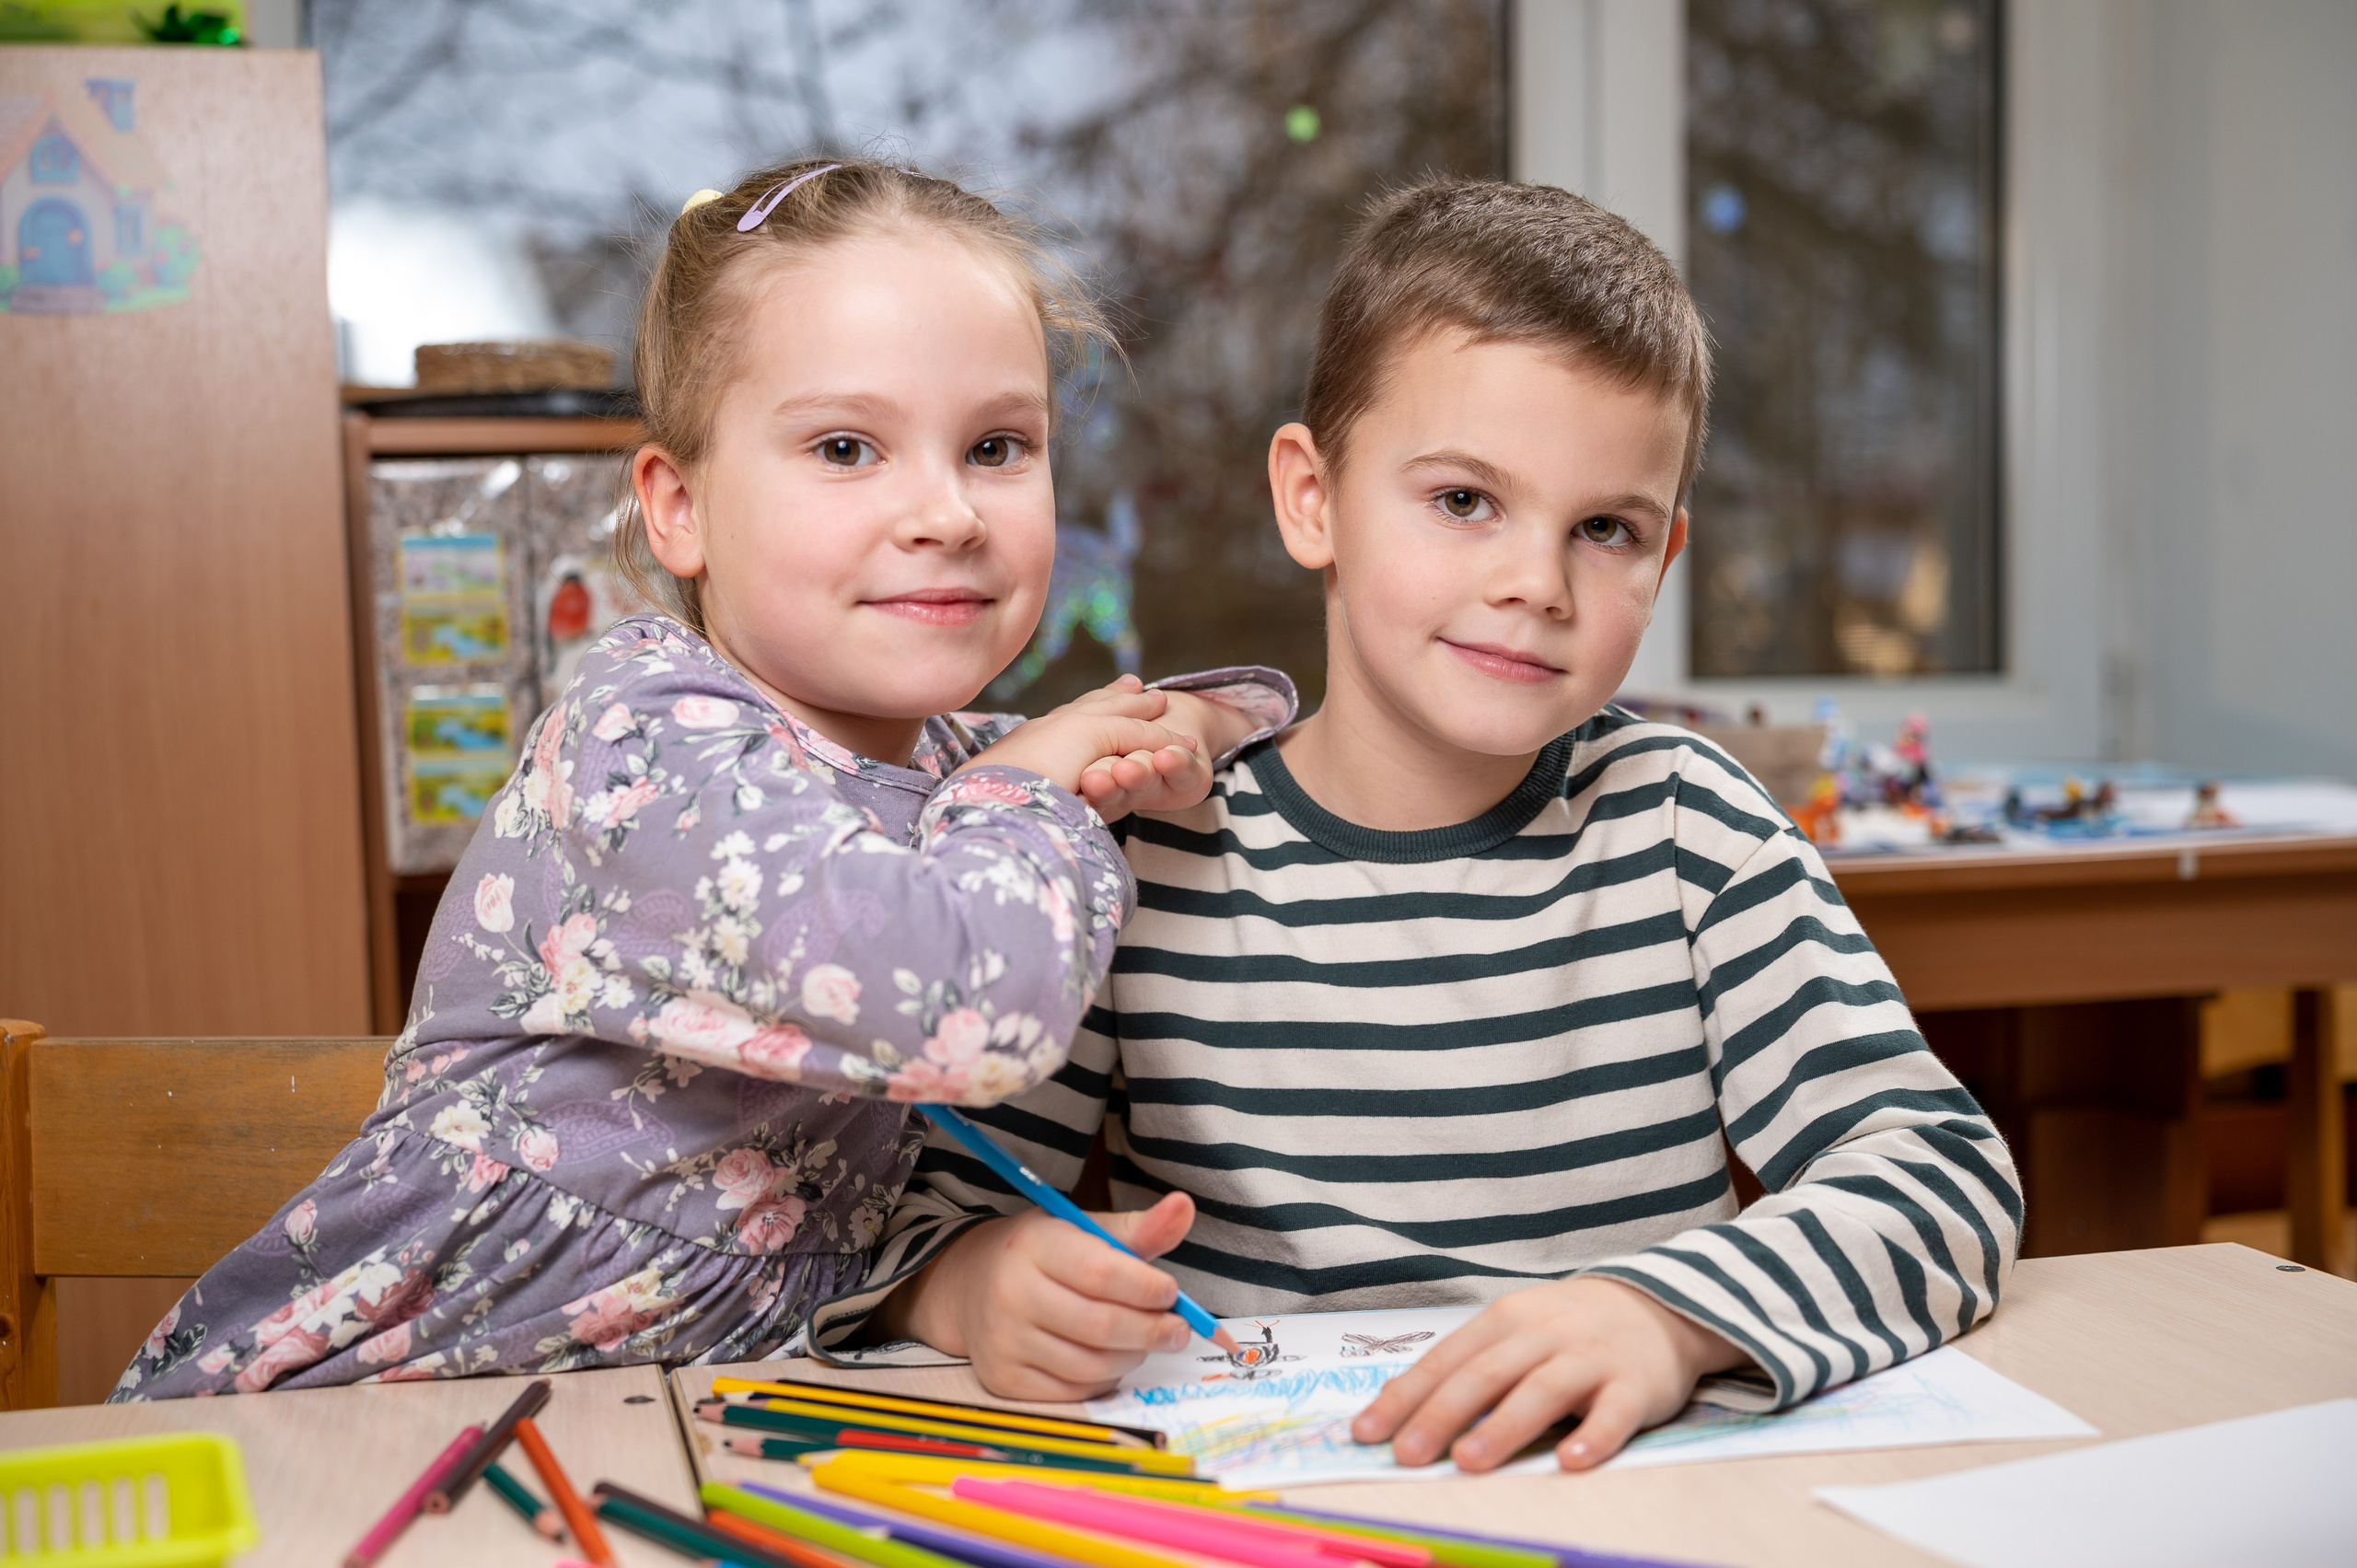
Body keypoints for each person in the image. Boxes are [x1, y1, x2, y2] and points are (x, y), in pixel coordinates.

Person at [841, 179, 2024, 1472]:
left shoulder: (1692, 829)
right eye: (1464, 500)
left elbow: (1941, 1176)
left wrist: (1670, 1318)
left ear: (1665, 559)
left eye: (1606, 530)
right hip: (1281, 1514)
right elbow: (916, 1206)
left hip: (1627, 1500)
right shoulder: (1138, 854)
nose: (1536, 584)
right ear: (1313, 500)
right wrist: (979, 1279)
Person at [111, 159, 1291, 1400]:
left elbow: (1241, 705)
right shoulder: (646, 741)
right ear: (680, 509)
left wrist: (1189, 726)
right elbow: (960, 1008)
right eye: (847, 447)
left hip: (669, 1416)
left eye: (997, 446)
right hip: (358, 1421)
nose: (946, 511)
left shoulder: (945, 761)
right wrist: (1042, 786)